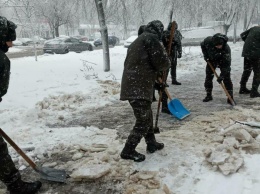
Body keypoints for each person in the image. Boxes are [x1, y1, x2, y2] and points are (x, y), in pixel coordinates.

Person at [0, 16, 42, 194]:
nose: (10, 45)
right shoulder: (1, 59)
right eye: (8, 40)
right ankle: (16, 185)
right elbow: (0, 89)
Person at [120, 20, 171, 162]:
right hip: (138, 87)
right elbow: (162, 63)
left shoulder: (139, 40)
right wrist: (167, 56)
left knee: (147, 116)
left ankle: (151, 143)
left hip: (135, 85)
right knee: (143, 120)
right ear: (159, 31)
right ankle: (128, 150)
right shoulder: (151, 39)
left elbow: (144, 64)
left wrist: (156, 81)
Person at [201, 33, 234, 104]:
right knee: (208, 77)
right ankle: (208, 95)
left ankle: (230, 97)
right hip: (211, 60)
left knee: (227, 78)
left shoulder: (226, 49)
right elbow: (202, 45)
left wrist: (222, 76)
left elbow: (227, 66)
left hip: (222, 60)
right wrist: (206, 56)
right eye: (216, 46)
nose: (218, 47)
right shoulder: (208, 41)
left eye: (219, 46)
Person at [239, 26, 260, 98]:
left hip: (247, 52)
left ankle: (242, 88)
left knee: (247, 70)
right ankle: (254, 92)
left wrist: (249, 43)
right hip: (256, 54)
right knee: (258, 72)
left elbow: (242, 35)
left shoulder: (254, 28)